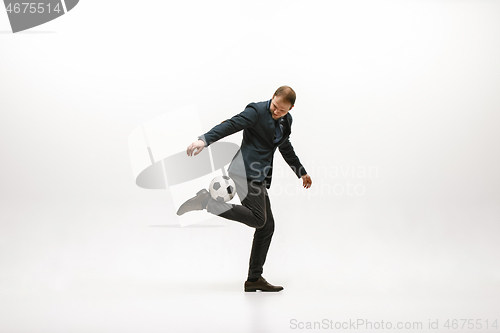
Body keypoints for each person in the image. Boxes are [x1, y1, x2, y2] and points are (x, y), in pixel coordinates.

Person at [176, 86, 312, 292]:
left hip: (259, 175)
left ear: (291, 108)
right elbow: (232, 124)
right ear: (272, 97)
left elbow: (285, 146)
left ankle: (254, 279)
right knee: (259, 219)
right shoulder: (256, 111)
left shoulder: (287, 122)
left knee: (266, 226)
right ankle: (206, 202)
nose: (277, 112)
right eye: (275, 106)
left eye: (282, 110)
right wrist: (204, 139)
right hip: (243, 171)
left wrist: (300, 171)